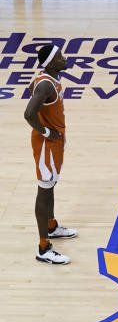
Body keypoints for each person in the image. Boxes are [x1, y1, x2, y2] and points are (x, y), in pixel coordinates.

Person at [24, 45, 77, 265]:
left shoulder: (46, 79)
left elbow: (30, 88)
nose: (64, 58)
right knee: (44, 191)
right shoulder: (46, 85)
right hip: (47, 143)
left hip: (54, 140)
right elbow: (28, 113)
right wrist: (46, 130)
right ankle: (43, 248)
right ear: (51, 63)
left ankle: (51, 226)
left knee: (51, 184)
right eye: (59, 57)